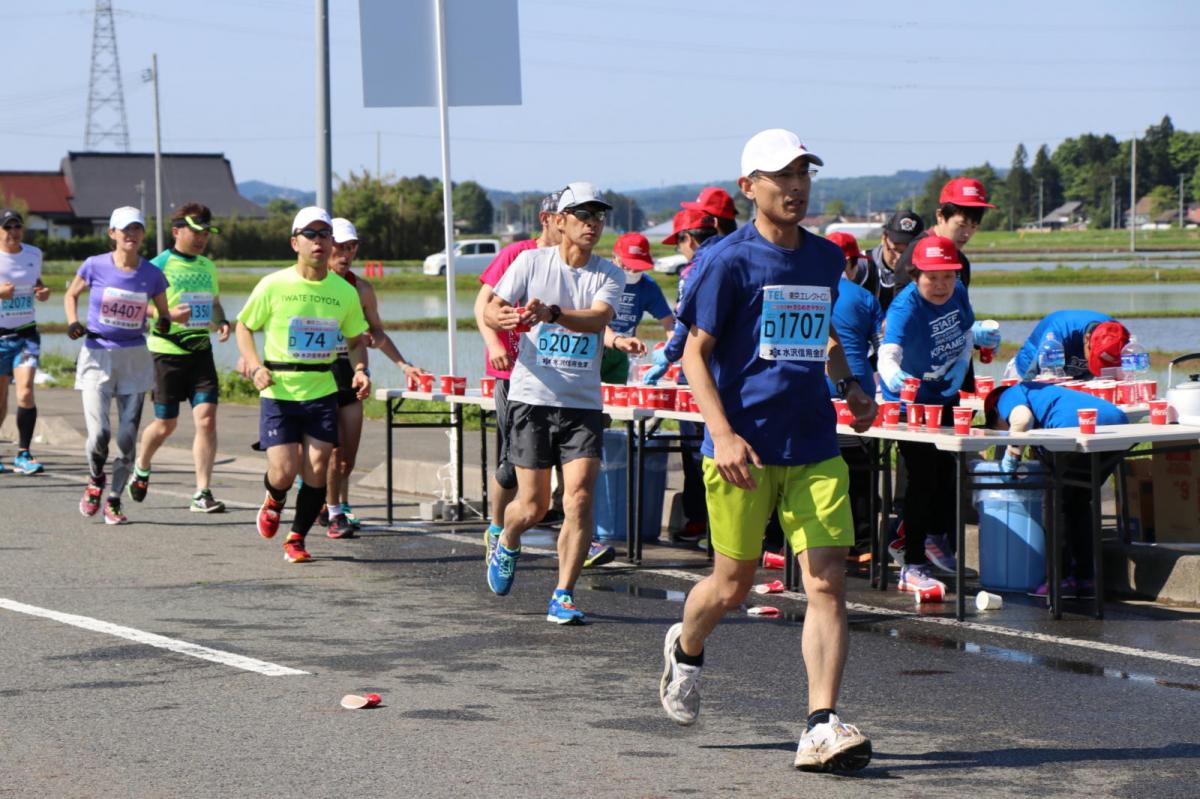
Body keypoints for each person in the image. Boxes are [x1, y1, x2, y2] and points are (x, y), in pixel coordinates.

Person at [661, 129, 876, 772]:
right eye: (782, 176)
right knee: (733, 585)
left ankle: (819, 723)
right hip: (742, 449)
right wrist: (722, 433)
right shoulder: (726, 261)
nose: (796, 186)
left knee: (826, 580)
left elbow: (824, 337)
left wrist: (851, 388)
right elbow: (694, 354)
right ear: (749, 187)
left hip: (813, 441)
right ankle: (687, 647)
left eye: (804, 173)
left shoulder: (822, 258)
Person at [483, 181, 633, 624]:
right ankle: (507, 538)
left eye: (599, 217)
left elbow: (599, 318)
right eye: (583, 216)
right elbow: (491, 307)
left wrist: (553, 314)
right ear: (561, 221)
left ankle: (563, 593)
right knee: (533, 506)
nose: (592, 224)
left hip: (582, 403)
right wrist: (505, 317)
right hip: (533, 398)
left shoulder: (609, 272)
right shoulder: (531, 262)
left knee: (580, 499)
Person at [235, 207, 369, 563]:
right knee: (283, 470)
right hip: (279, 389)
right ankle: (274, 498)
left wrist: (360, 370)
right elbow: (244, 326)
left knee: (317, 466)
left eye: (325, 235)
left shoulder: (343, 291)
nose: (319, 242)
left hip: (321, 389)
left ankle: (296, 537)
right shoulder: (274, 284)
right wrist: (253, 364)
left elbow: (356, 338)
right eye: (311, 235)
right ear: (295, 243)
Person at [877, 235, 976, 592]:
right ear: (916, 275)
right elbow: (887, 355)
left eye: (947, 276)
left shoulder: (959, 292)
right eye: (931, 277)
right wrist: (896, 378)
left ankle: (932, 539)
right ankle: (911, 561)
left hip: (944, 392)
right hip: (909, 403)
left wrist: (963, 362)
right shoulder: (906, 307)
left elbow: (966, 332)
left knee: (948, 471)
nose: (940, 285)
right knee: (922, 477)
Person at [63, 206, 172, 524]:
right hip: (97, 354)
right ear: (112, 233)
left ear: (142, 234)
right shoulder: (94, 265)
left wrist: (163, 323)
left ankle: (114, 499)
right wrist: (73, 323)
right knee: (99, 434)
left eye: (136, 228)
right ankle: (96, 479)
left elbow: (161, 312)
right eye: (124, 229)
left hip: (134, 356)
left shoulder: (151, 273)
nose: (131, 234)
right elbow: (71, 295)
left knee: (125, 439)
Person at [321, 217, 425, 537]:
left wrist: (403, 364)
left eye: (352, 247)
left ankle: (335, 503)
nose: (346, 253)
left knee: (347, 457)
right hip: (316, 374)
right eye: (340, 246)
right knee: (329, 451)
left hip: (353, 372)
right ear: (325, 246)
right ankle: (334, 509)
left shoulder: (362, 289)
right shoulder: (309, 286)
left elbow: (376, 333)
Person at [984, 382, 1127, 597]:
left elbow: (1021, 420)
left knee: (1055, 502)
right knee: (1078, 501)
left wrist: (1012, 455)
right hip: (1117, 426)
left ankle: (1059, 580)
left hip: (1073, 431)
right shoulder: (1043, 394)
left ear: (995, 411)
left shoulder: (1009, 395)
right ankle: (1085, 577)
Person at [130, 203, 230, 512]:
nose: (202, 239)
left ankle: (202, 492)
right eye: (195, 232)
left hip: (201, 352)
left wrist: (223, 321)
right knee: (166, 424)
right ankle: (142, 466)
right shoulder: (156, 265)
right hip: (167, 354)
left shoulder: (207, 266)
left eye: (206, 234)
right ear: (177, 231)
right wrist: (167, 313)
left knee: (207, 419)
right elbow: (136, 303)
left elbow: (213, 303)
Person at [644, 207, 722, 544]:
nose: (680, 250)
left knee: (697, 451)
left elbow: (685, 323)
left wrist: (667, 355)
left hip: (700, 374)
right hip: (734, 375)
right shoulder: (732, 255)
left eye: (679, 244)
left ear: (688, 239)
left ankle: (701, 522)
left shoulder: (694, 269)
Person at [893, 178, 1001, 359]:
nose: (967, 234)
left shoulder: (961, 261)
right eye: (961, 225)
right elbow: (903, 316)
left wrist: (976, 336)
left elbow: (958, 313)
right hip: (920, 363)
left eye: (974, 227)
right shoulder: (917, 253)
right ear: (940, 216)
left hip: (953, 360)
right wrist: (964, 331)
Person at [825, 232, 884, 557]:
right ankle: (862, 545)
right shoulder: (864, 298)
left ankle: (821, 542)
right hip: (859, 388)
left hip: (821, 388)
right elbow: (882, 347)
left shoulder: (811, 293)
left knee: (818, 468)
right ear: (849, 262)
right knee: (862, 469)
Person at [0, 209, 51, 475]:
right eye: (7, 227)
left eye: (17, 227)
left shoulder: (33, 254)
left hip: (25, 334)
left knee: (26, 392)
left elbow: (36, 283)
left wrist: (42, 292)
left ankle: (24, 453)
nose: (13, 232)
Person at [600, 231, 673, 385]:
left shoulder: (648, 286)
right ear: (614, 258)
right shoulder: (600, 278)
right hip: (594, 346)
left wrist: (671, 351)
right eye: (628, 266)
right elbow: (591, 317)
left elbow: (668, 322)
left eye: (638, 267)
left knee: (617, 397)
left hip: (621, 352)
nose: (633, 271)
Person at [1006, 310, 1128, 381]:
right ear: (1087, 339)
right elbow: (1032, 377)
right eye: (1095, 359)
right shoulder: (1058, 332)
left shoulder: (1117, 334)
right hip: (1029, 371)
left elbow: (1119, 377)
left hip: (1072, 378)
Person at [855, 210, 923, 311]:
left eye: (908, 252)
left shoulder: (925, 273)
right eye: (895, 250)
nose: (900, 258)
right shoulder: (861, 264)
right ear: (883, 238)